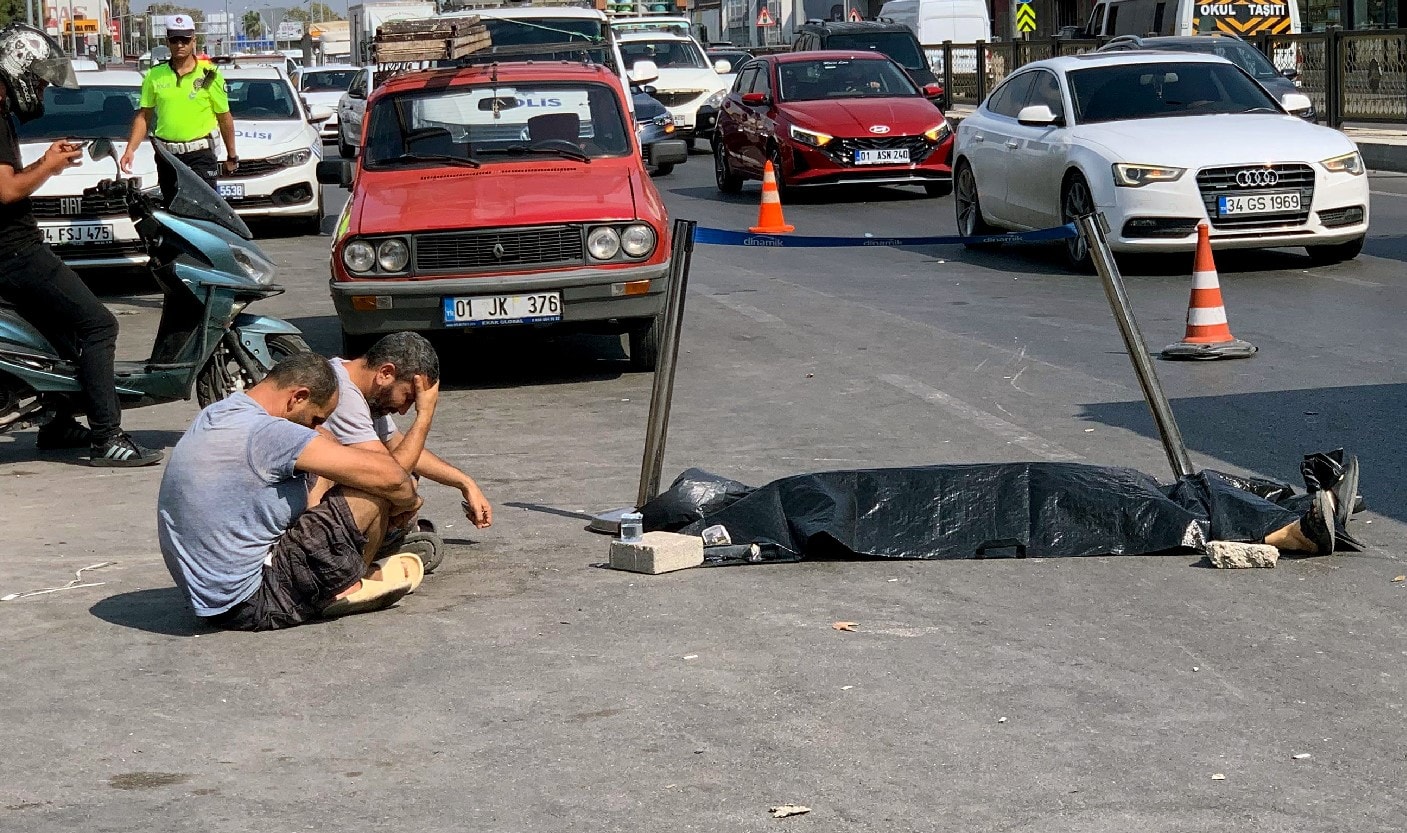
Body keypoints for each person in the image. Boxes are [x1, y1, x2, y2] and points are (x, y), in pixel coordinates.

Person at [158, 352, 434, 631]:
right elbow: (393, 479)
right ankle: (343, 582)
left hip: (210, 595)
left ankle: (337, 560)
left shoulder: (221, 413)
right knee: (373, 491)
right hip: (254, 601)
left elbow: (324, 442)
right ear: (297, 397)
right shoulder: (270, 434)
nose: (317, 426)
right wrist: (408, 503)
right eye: (316, 418)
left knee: (327, 457)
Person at [0, 24, 163, 466]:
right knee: (97, 326)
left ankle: (56, 422)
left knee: (58, 334)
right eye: (36, 79)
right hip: (13, 253)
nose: (39, 90)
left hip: (12, 250)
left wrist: (46, 159)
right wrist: (50, 165)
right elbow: (6, 191)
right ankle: (106, 436)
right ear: (15, 69)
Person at [323, 333, 493, 547]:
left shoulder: (366, 389)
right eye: (408, 398)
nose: (403, 411)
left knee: (407, 475)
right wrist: (424, 416)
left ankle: (379, 538)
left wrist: (465, 483)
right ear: (385, 373)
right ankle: (358, 562)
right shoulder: (343, 395)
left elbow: (399, 445)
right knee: (395, 486)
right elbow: (390, 477)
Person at [120, 15, 238, 203]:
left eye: (184, 39)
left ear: (193, 41)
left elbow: (224, 118)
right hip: (168, 156)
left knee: (203, 211)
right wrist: (130, 149)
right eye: (175, 40)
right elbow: (144, 116)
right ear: (168, 42)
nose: (180, 45)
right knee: (172, 209)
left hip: (200, 155)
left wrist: (232, 155)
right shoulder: (155, 76)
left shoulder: (208, 75)